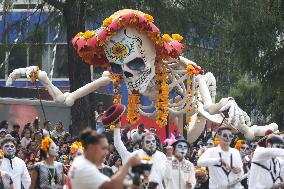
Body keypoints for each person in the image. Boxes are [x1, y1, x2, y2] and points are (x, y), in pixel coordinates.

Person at [68, 128, 141, 189]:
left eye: (107, 148)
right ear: (91, 148)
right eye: (103, 148)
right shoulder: (84, 167)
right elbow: (112, 185)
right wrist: (128, 164)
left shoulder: (81, 161)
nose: (106, 152)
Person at [114, 124, 167, 189]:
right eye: (148, 142)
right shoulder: (136, 155)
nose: (151, 144)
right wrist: (116, 129)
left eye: (153, 141)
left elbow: (168, 178)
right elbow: (119, 147)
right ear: (142, 144)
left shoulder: (162, 156)